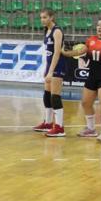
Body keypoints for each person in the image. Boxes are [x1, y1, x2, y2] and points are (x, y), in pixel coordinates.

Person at [62, 16, 101, 144]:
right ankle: (91, 129)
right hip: (92, 75)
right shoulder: (91, 40)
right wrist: (64, 53)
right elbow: (79, 52)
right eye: (98, 25)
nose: (99, 27)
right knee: (85, 103)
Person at [32, 8, 66, 137]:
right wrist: (46, 69)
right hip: (50, 65)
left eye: (45, 17)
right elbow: (48, 53)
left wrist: (51, 71)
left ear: (52, 17)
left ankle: (60, 127)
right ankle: (48, 122)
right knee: (47, 94)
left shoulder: (57, 31)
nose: (42, 20)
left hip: (58, 65)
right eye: (41, 17)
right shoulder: (47, 30)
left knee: (55, 96)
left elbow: (57, 52)